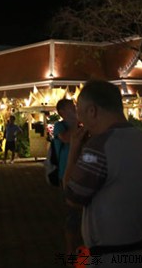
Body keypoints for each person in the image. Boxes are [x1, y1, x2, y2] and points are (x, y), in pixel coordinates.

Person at [64, 80, 142, 267]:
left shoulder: (98, 146)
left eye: (79, 111)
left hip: (114, 255)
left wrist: (73, 154)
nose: (79, 119)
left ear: (92, 111)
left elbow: (72, 196)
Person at [53, 98, 83, 257]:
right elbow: (66, 138)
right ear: (62, 112)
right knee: (72, 212)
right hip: (66, 174)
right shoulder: (60, 126)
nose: (75, 109)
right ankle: (70, 250)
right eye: (71, 107)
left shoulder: (80, 126)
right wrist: (77, 123)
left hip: (81, 172)